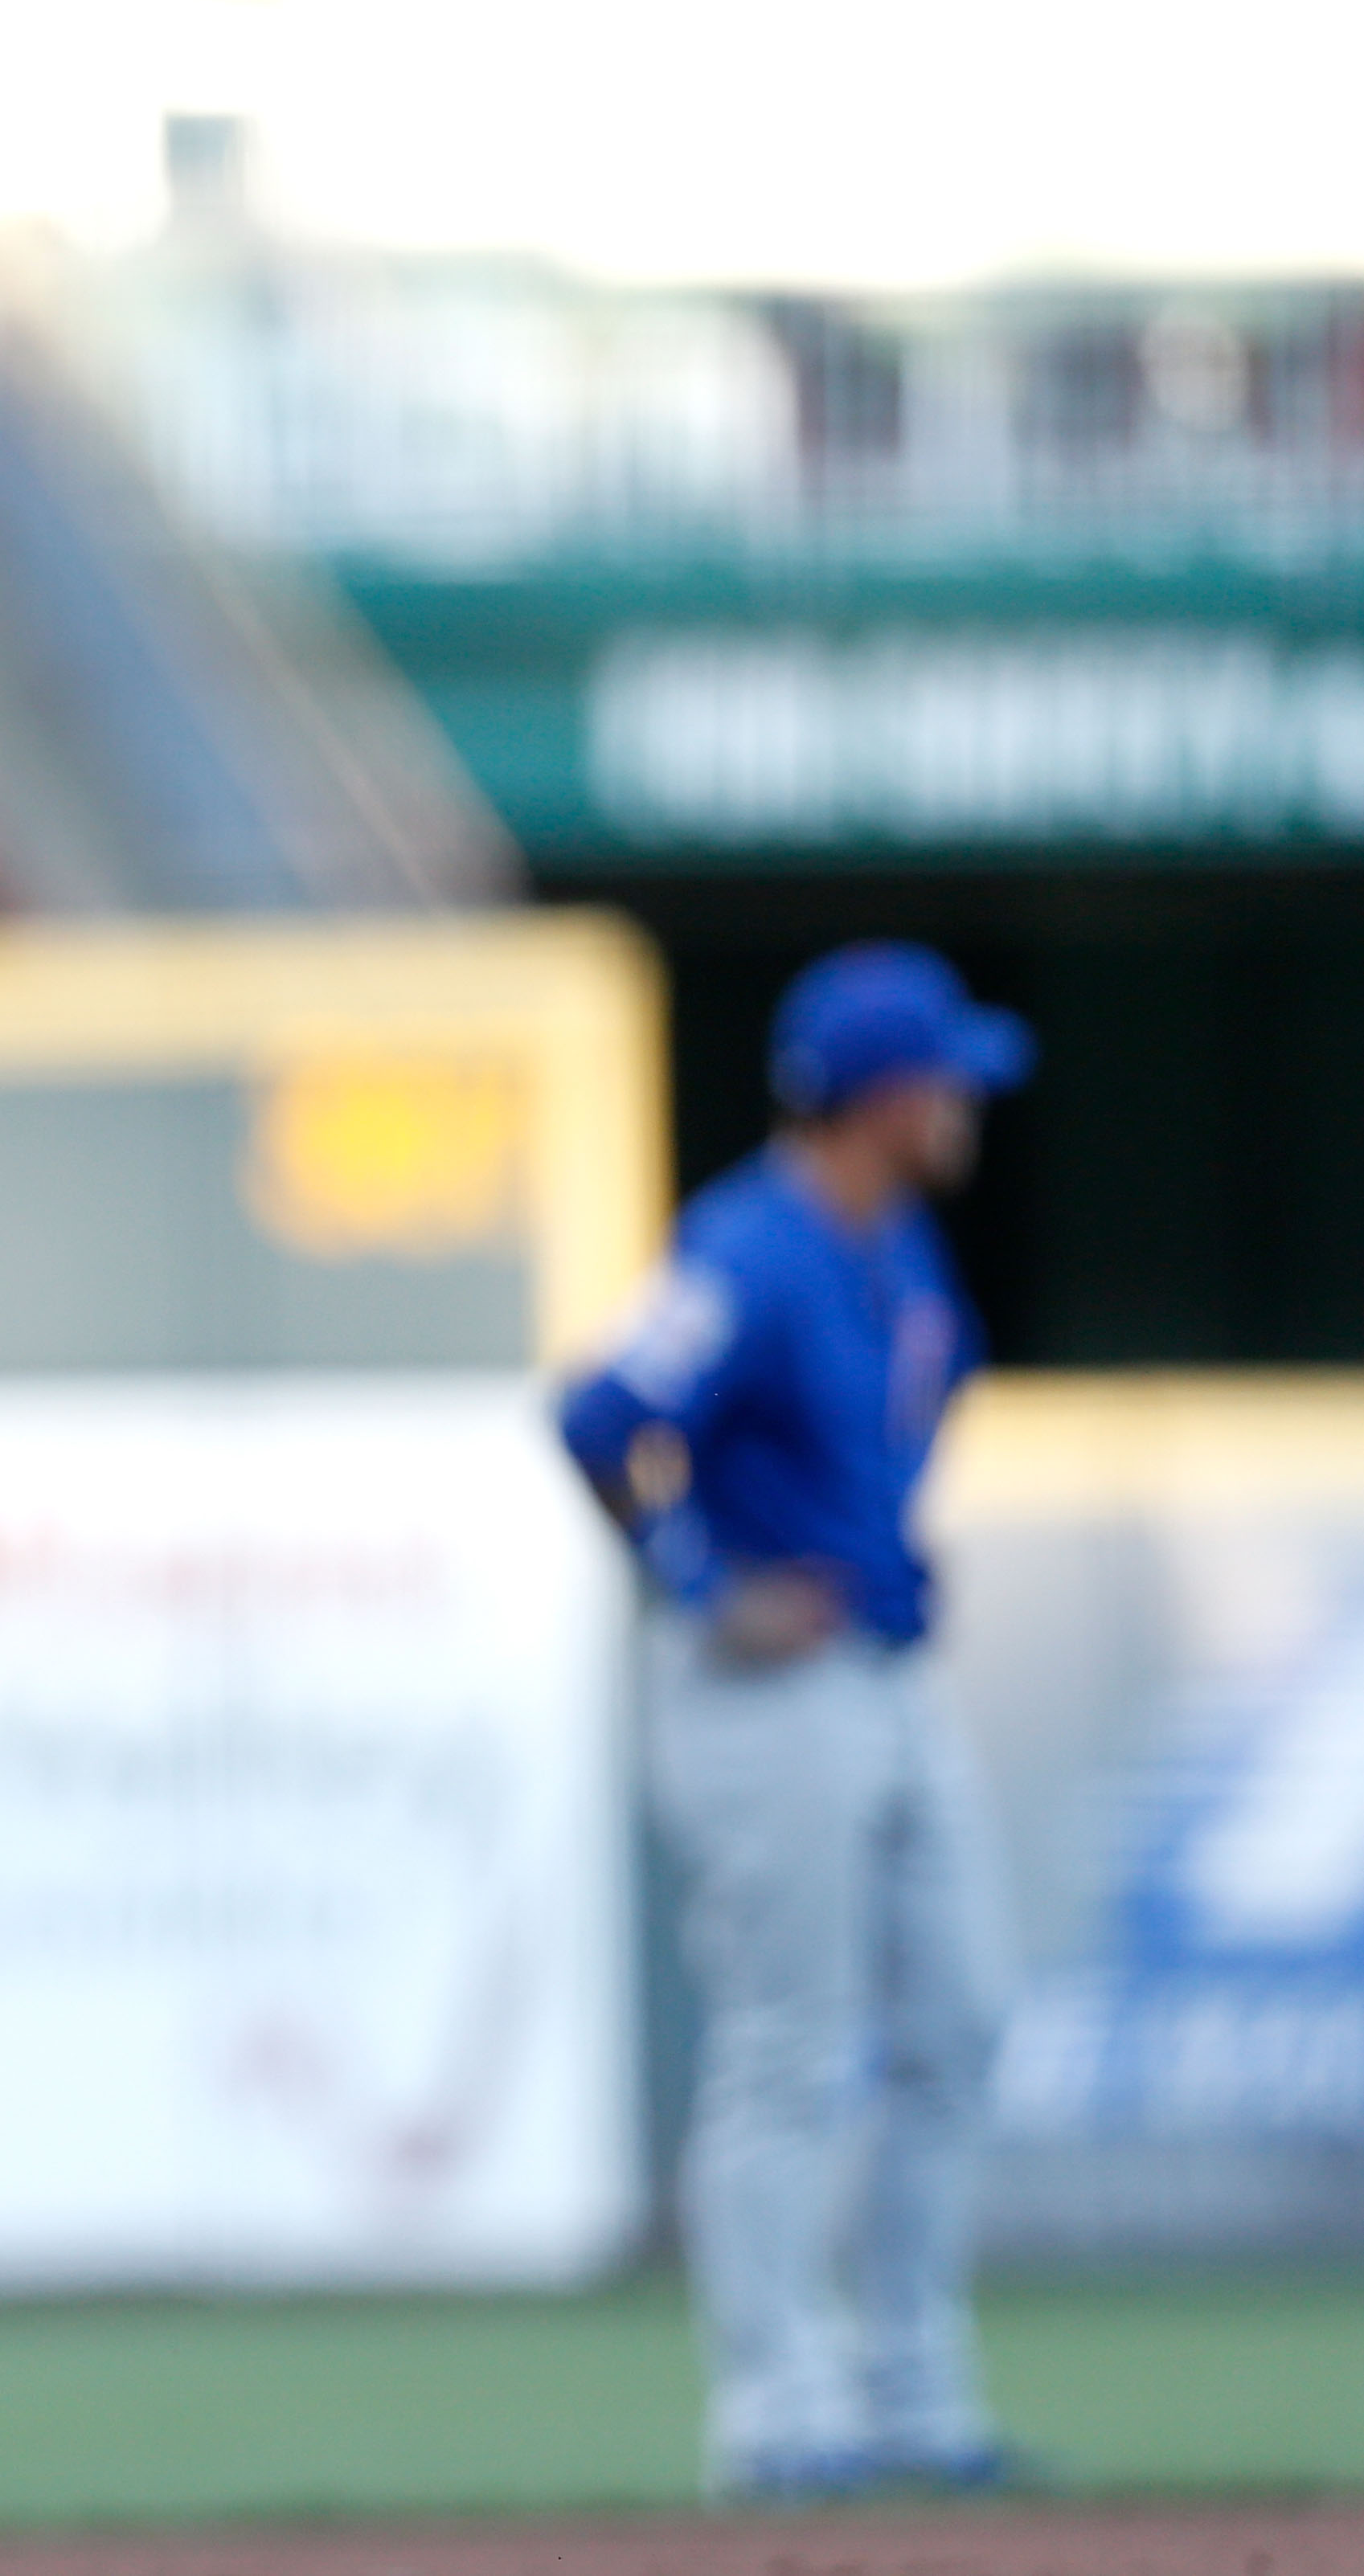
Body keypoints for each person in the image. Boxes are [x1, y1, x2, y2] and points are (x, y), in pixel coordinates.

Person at [555, 942, 1033, 2502]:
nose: (967, 1099)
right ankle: (780, 2410)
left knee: (959, 2014)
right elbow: (604, 1414)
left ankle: (909, 2392)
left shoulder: (894, 1246)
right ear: (883, 1095)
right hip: (768, 1688)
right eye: (945, 1076)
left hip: (885, 1672)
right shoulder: (752, 1245)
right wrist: (700, 1581)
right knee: (788, 2042)